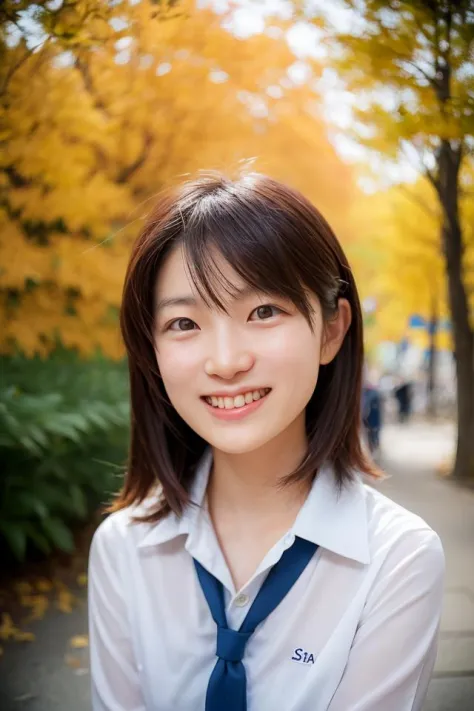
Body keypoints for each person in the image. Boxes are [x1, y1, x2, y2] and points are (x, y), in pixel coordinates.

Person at [88, 172, 445, 711]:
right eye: (184, 323)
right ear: (152, 352)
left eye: (263, 312)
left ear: (332, 329)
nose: (226, 361)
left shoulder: (398, 559)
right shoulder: (123, 548)